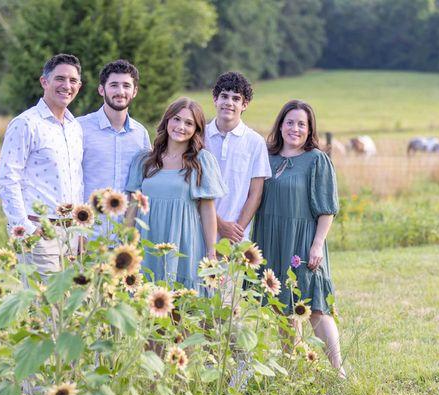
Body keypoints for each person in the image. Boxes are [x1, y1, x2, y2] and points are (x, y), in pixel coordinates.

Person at [252, 99, 346, 377]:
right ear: (280, 125)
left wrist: (317, 243)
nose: (295, 128)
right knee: (283, 305)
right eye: (290, 122)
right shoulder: (267, 158)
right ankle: (293, 367)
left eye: (301, 124)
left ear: (309, 129)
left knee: (315, 306)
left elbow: (327, 207)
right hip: (271, 238)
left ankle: (339, 370)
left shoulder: (317, 159)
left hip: (303, 240)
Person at [125, 97, 227, 291]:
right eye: (176, 119)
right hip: (146, 238)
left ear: (196, 130)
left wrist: (212, 252)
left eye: (189, 123)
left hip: (184, 239)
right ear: (167, 121)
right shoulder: (145, 159)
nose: (181, 126)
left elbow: (207, 209)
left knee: (182, 303)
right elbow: (133, 205)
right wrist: (126, 243)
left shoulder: (201, 161)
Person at [0, 53, 83, 277]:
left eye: (73, 81)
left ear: (79, 86)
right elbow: (7, 179)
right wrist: (26, 229)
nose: (67, 86)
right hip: (40, 231)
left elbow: (77, 180)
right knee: (46, 306)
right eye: (60, 79)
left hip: (71, 232)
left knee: (68, 308)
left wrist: (80, 229)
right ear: (44, 82)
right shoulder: (25, 124)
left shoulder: (74, 127)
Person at [205, 72, 271, 243]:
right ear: (215, 99)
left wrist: (235, 232)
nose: (229, 102)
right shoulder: (200, 136)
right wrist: (219, 224)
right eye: (224, 96)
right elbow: (194, 187)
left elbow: (255, 194)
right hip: (200, 229)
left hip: (237, 235)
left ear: (245, 105)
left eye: (236, 98)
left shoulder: (255, 142)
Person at [78, 59, 151, 204]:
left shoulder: (140, 134)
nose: (120, 92)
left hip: (127, 224)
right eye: (114, 85)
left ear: (134, 91)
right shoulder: (80, 127)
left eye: (126, 86)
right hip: (87, 222)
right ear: (101, 90)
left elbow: (146, 179)